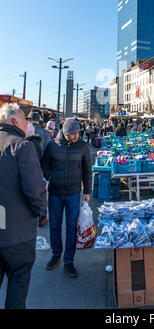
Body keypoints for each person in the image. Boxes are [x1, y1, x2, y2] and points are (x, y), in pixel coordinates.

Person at [0, 103, 47, 309]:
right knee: (17, 289)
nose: (28, 124)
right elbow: (35, 190)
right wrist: (41, 212)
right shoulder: (21, 146)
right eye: (24, 119)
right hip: (17, 233)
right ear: (13, 122)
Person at [41, 118, 92, 278]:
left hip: (74, 192)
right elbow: (45, 165)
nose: (76, 136)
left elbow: (87, 169)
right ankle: (56, 254)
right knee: (55, 225)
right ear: (65, 132)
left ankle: (69, 260)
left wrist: (87, 191)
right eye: (72, 133)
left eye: (77, 132)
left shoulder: (83, 146)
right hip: (55, 192)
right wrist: (51, 176)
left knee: (71, 227)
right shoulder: (52, 145)